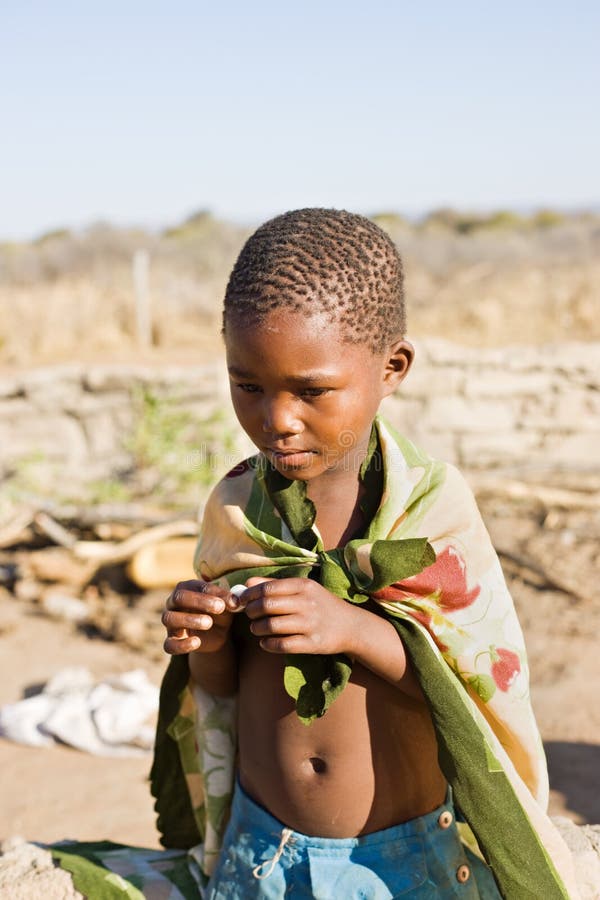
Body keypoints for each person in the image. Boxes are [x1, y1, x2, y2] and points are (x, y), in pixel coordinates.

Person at [154, 209, 578, 899]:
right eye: (248, 385)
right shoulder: (237, 506)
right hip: (258, 854)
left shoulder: (430, 513)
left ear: (392, 367)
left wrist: (354, 630)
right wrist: (205, 638)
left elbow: (475, 691)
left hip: (398, 866)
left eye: (311, 390)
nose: (276, 418)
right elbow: (225, 691)